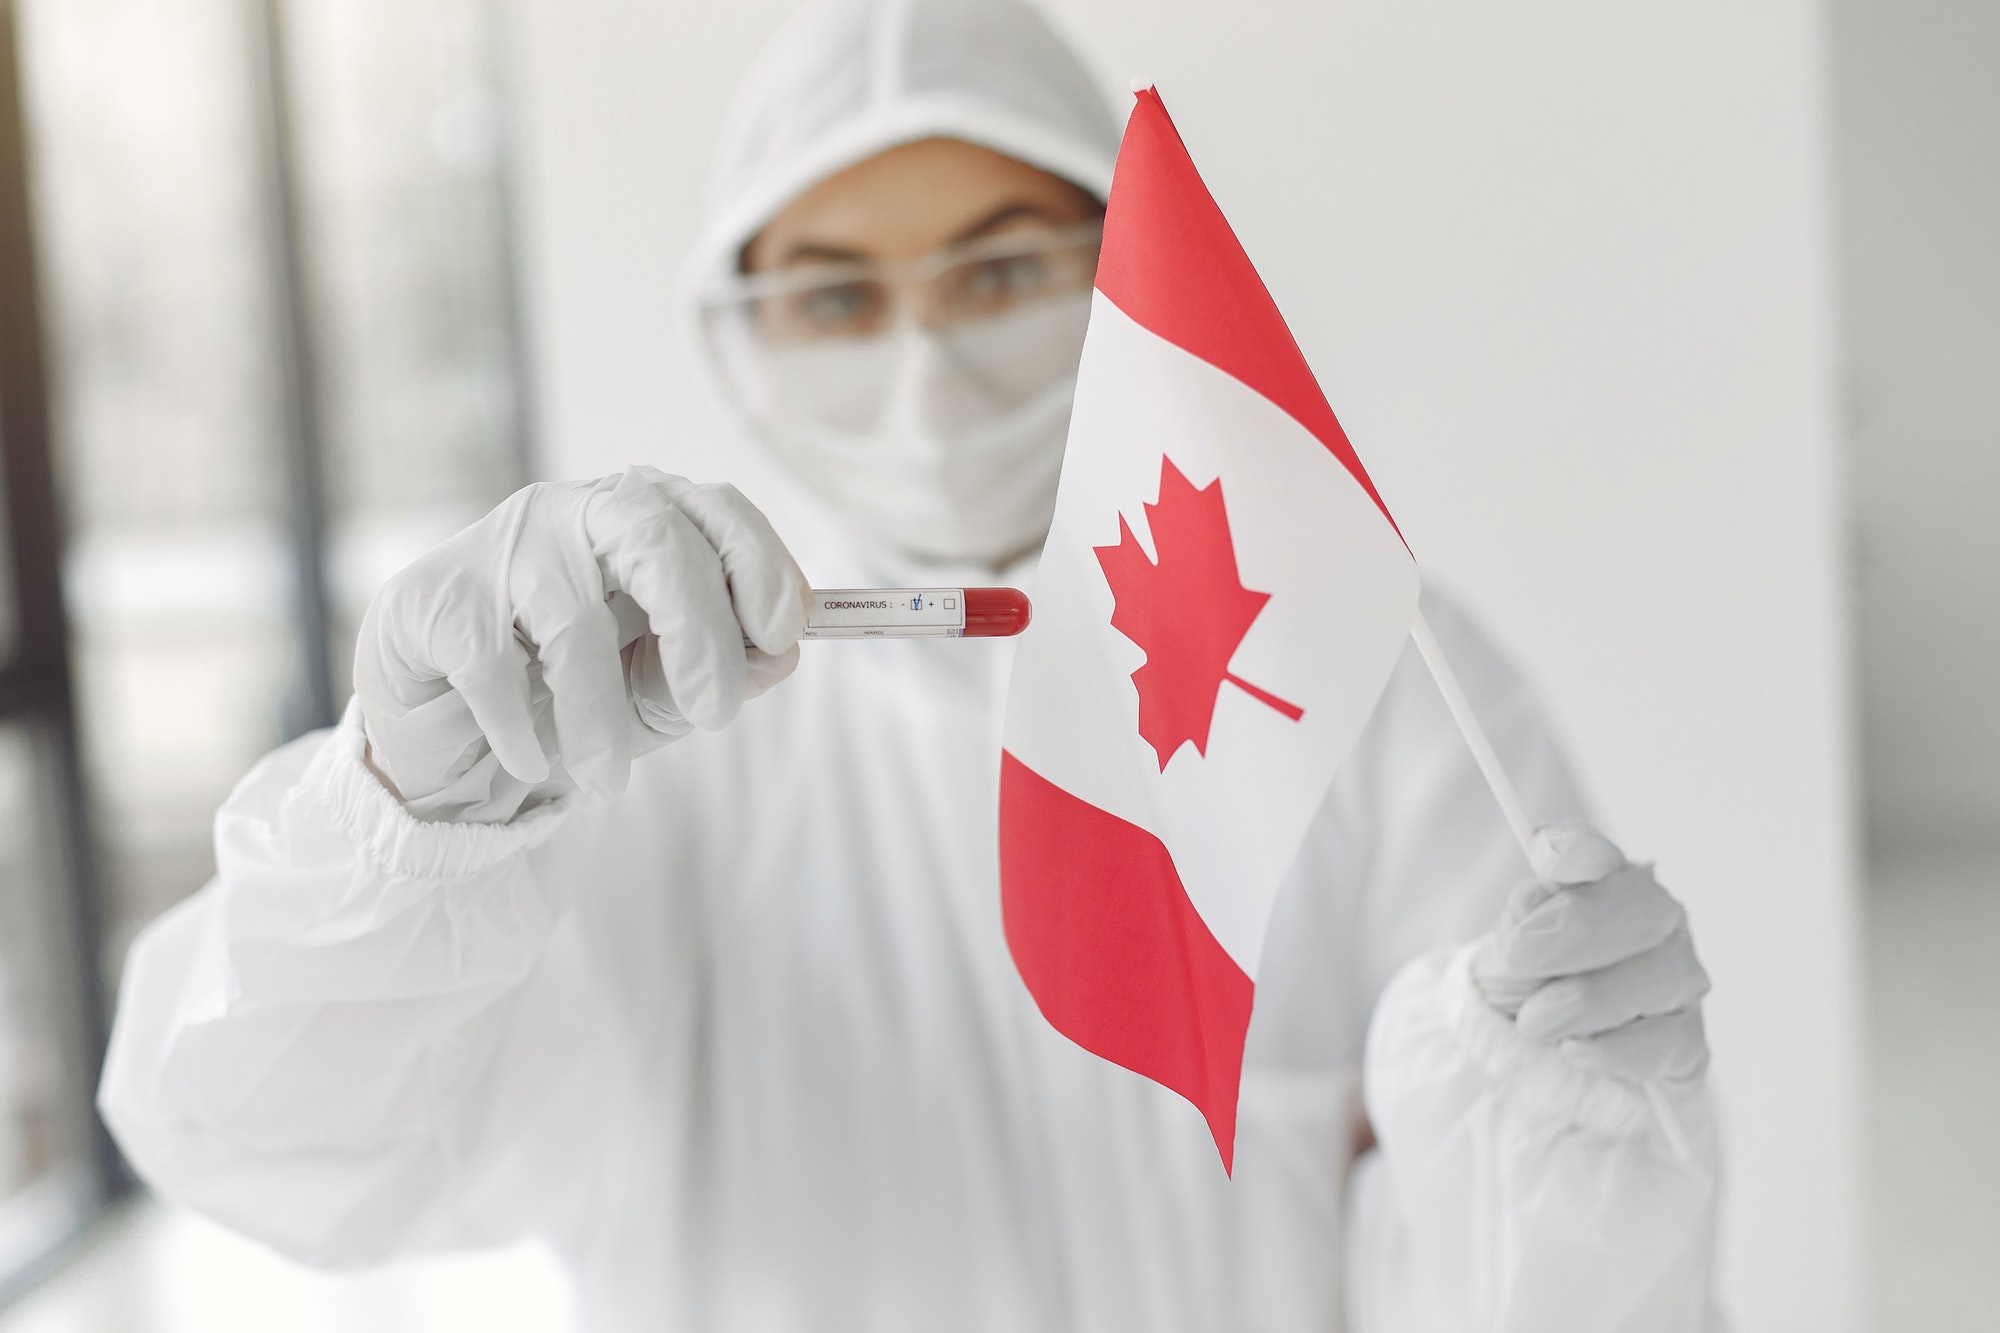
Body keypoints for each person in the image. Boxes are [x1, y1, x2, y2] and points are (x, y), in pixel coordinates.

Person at [98, 0, 1722, 1328]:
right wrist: (403, 827)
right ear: (738, 331)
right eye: (832, 293)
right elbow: (272, 1142)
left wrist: (1565, 1132)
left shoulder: (1353, 667)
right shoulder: (622, 716)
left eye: (1005, 265)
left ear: (1119, 260)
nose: (926, 355)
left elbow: (1513, 1283)